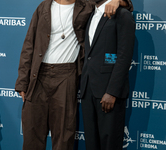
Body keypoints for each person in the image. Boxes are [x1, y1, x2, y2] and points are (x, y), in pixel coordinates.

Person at [15, 0, 133, 149]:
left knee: (64, 137)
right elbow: (28, 44)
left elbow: (125, 6)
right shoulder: (44, 7)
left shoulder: (87, 6)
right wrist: (22, 81)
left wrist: (118, 0)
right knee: (32, 135)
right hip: (37, 75)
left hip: (66, 76)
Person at [80, 0, 135, 149]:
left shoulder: (123, 15)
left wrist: (112, 91)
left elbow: (124, 57)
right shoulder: (90, 14)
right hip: (88, 90)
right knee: (91, 144)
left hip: (109, 94)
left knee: (110, 144)